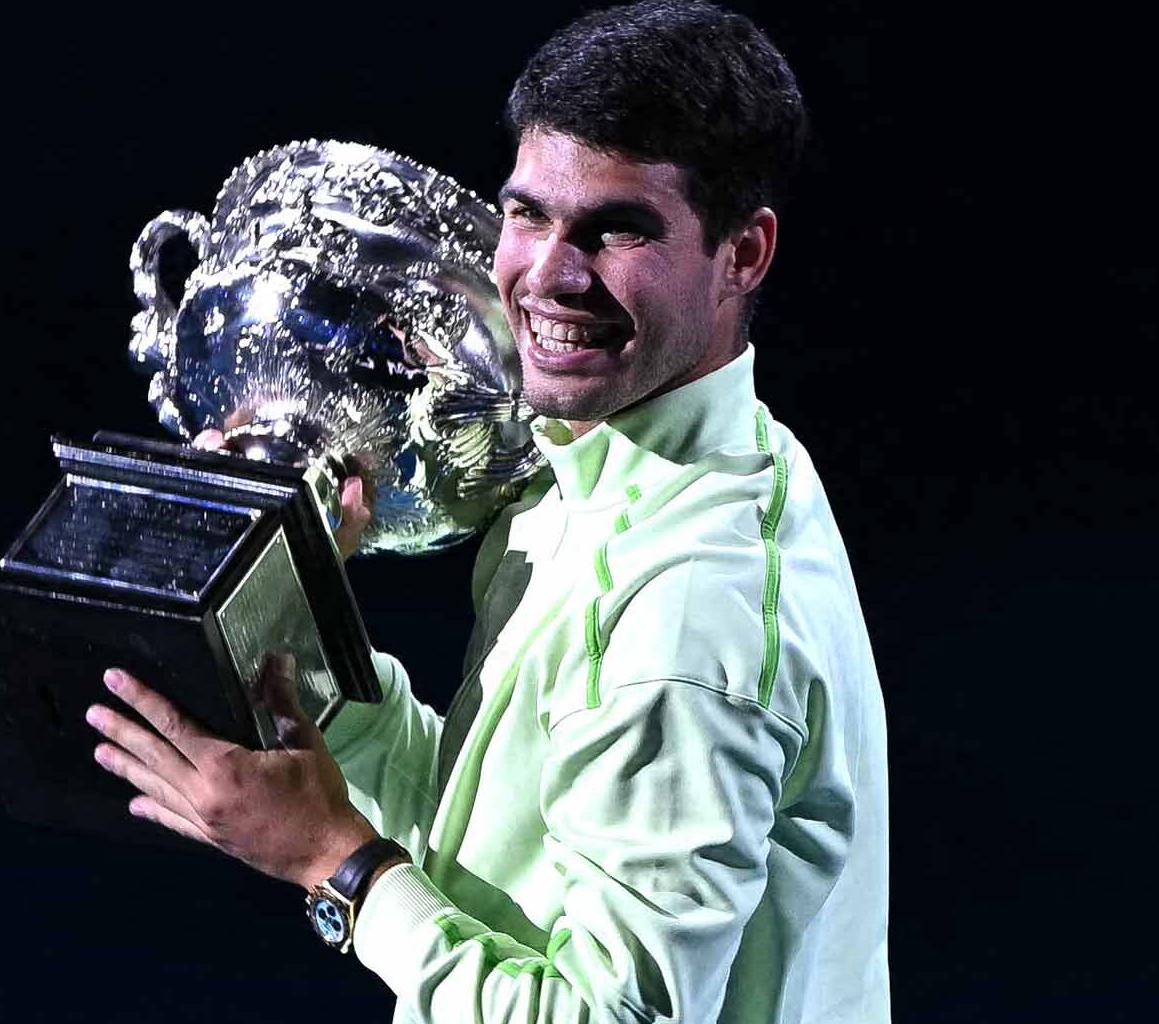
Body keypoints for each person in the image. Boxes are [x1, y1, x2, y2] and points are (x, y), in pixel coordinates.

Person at [83, 2, 890, 1020]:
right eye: (529, 214)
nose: (547, 276)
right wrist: (298, 640)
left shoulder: (691, 605)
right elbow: (485, 856)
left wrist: (337, 866)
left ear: (744, 253)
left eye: (618, 229)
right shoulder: (608, 463)